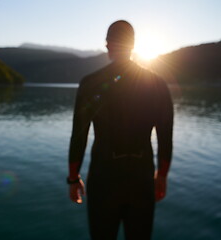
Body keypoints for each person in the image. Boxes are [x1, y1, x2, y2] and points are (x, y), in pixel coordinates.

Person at [67, 20, 173, 240]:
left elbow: (79, 136)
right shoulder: (158, 84)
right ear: (133, 45)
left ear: (107, 45)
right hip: (142, 176)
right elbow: (166, 136)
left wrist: (73, 178)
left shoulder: (90, 83)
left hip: (103, 176)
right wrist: (161, 176)